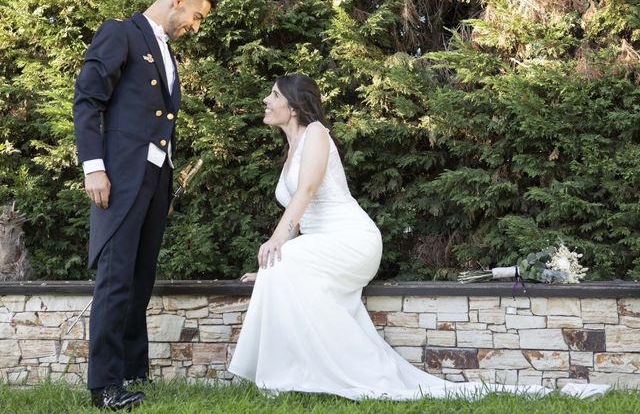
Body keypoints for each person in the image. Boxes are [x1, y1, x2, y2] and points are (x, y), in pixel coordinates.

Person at [228, 74, 608, 401]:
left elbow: (306, 191)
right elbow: (298, 217)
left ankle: (329, 374)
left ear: (293, 106)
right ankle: (294, 374)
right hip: (321, 244)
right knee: (280, 268)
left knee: (283, 259)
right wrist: (272, 266)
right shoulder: (291, 146)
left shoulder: (316, 133)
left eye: (274, 95)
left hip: (353, 240)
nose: (266, 100)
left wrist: (277, 245)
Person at [73, 0, 214, 410]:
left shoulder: (163, 49)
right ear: (178, 0)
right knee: (115, 280)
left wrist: (162, 183)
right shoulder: (121, 33)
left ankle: (133, 372)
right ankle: (105, 387)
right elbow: (87, 99)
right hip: (117, 176)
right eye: (195, 15)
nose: (195, 26)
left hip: (153, 179)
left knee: (139, 280)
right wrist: (93, 167)